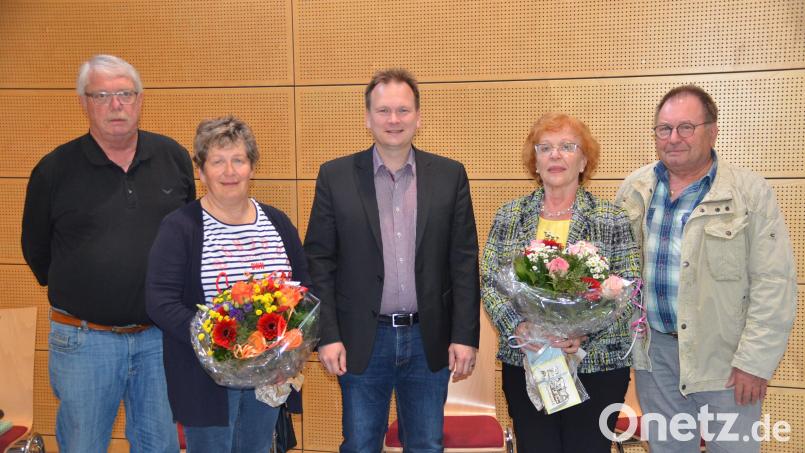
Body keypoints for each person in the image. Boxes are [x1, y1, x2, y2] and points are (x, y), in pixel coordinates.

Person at [20, 54, 194, 452]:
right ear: (83, 102)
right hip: (84, 342)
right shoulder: (53, 170)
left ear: (140, 99)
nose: (116, 105)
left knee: (161, 445)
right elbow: (36, 249)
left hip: (157, 339)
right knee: (83, 445)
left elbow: (186, 239)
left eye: (124, 94)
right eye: (102, 95)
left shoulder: (173, 157)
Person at [304, 68, 481, 453]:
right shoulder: (334, 176)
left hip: (428, 338)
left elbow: (464, 261)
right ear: (367, 118)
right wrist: (327, 335)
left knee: (426, 445)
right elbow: (319, 261)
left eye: (403, 110)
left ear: (418, 117)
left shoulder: (450, 176)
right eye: (383, 111)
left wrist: (464, 336)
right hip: (361, 340)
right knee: (361, 444)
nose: (394, 120)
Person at [616, 85, 797, 452]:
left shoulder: (749, 193)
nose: (674, 139)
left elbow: (774, 283)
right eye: (664, 129)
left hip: (727, 364)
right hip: (658, 361)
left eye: (686, 127)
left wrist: (754, 362)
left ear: (712, 131)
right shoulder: (634, 189)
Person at [146, 116, 310, 453]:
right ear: (202, 171)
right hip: (204, 379)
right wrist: (218, 343)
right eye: (217, 162)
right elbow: (160, 301)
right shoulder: (181, 227)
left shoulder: (277, 222)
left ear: (252, 167)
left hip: (267, 376)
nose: (229, 171)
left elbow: (304, 290)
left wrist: (284, 357)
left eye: (238, 160)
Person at [481, 112, 640, 452]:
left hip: (596, 365)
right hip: (529, 359)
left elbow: (627, 287)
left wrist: (584, 332)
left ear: (584, 160)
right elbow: (490, 283)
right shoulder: (509, 216)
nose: (555, 155)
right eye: (545, 148)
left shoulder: (610, 218)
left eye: (567, 147)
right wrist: (519, 326)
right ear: (534, 161)